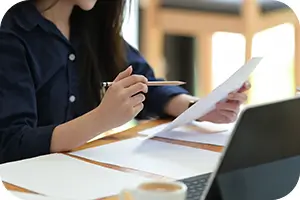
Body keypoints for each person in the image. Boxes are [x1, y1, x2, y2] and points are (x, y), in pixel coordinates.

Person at [0, 0, 250, 163]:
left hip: (86, 172)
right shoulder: (12, 37)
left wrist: (200, 107)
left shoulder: (90, 24)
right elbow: (12, 144)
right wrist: (101, 119)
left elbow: (147, 85)